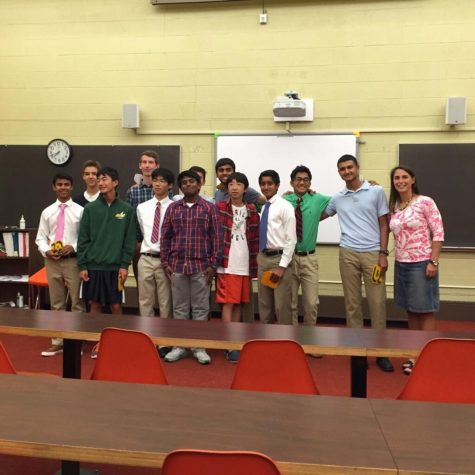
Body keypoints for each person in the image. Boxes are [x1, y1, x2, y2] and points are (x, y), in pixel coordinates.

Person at [323, 155, 394, 372]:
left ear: (357, 168)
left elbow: (385, 224)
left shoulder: (375, 191)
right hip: (348, 254)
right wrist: (294, 198)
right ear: (339, 172)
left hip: (373, 254)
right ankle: (358, 352)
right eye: (342, 169)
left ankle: (380, 352)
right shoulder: (337, 198)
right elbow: (315, 215)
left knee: (377, 302)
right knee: (352, 304)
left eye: (349, 167)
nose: (346, 171)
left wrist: (383, 253)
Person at [160, 169, 223, 365]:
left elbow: (217, 238)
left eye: (191, 182)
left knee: (201, 309)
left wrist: (213, 265)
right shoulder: (173, 208)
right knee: (179, 309)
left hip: (201, 267)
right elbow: (165, 237)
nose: (188, 185)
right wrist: (165, 262)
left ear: (199, 184)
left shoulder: (209, 208)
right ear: (180, 187)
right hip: (177, 266)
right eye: (184, 182)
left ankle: (198, 347)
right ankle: (179, 346)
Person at [389, 166, 444, 374]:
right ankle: (414, 354)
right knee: (411, 309)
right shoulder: (395, 205)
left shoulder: (425, 202)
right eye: (396, 178)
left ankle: (428, 357)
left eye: (404, 177)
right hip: (401, 263)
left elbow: (438, 232)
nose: (400, 181)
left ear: (413, 179)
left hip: (422, 263)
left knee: (425, 310)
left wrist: (433, 261)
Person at [77, 167, 136, 359]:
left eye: (105, 179)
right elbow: (83, 239)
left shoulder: (126, 209)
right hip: (93, 267)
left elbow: (129, 241)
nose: (100, 182)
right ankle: (97, 343)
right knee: (94, 305)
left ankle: (117, 342)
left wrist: (124, 265)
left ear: (116, 182)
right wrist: (83, 266)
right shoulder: (90, 209)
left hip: (114, 268)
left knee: (115, 306)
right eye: (99, 179)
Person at [36, 173, 85, 356]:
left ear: (71, 187)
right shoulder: (47, 211)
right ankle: (57, 341)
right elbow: (41, 237)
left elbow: (85, 237)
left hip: (73, 261)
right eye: (59, 184)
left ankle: (75, 342)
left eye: (66, 184)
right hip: (52, 262)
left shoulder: (80, 211)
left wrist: (73, 246)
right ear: (54, 187)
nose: (63, 187)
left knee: (77, 302)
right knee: (56, 303)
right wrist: (46, 250)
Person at [216, 172, 260, 363]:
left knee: (240, 302)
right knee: (228, 302)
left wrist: (254, 266)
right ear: (226, 188)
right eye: (231, 184)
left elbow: (256, 240)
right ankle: (228, 343)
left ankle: (235, 339)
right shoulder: (218, 208)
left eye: (238, 184)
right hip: (227, 262)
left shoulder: (252, 210)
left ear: (245, 188)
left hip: (244, 262)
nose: (234, 187)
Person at [283, 165, 331, 328]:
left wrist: (369, 184)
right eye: (298, 179)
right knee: (291, 303)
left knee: (311, 303)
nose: (302, 182)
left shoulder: (318, 199)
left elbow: (342, 200)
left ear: (310, 183)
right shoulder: (283, 200)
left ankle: (310, 341)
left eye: (305, 180)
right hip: (288, 258)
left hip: (309, 259)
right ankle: (292, 341)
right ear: (291, 183)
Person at [257, 170, 296, 325]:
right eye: (262, 184)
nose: (266, 187)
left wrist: (281, 267)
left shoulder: (284, 206)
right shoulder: (264, 207)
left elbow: (291, 240)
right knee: (264, 306)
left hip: (279, 260)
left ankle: (285, 344)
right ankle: (266, 343)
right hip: (263, 259)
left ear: (277, 185)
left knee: (282, 306)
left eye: (270, 184)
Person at [126, 150, 160, 286]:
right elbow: (129, 221)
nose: (147, 165)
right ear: (140, 165)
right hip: (139, 246)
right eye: (144, 162)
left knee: (163, 289)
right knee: (142, 287)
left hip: (160, 247)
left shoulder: (165, 190)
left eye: (150, 162)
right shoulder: (132, 191)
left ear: (157, 166)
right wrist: (134, 243)